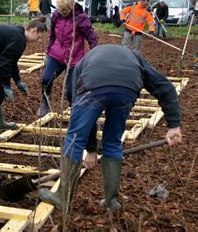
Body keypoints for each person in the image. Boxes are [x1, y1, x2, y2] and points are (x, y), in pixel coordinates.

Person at [39, 44, 182, 212]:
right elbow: (166, 88)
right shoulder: (135, 57)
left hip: (93, 86)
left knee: (75, 139)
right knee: (113, 142)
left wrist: (90, 148)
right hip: (127, 89)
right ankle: (111, 201)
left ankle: (62, 198)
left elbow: (75, 102)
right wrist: (174, 125)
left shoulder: (84, 62)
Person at [0, 17, 47, 142]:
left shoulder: (17, 33)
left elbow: (11, 62)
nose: (38, 41)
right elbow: (4, 64)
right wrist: (6, 85)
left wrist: (18, 80)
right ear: (34, 30)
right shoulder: (19, 40)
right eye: (39, 37)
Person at [37, 0, 98, 117]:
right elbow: (52, 35)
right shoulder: (56, 16)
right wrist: (49, 52)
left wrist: (94, 54)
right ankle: (45, 102)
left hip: (75, 58)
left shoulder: (81, 18)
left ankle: (74, 110)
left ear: (71, 7)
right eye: (60, 9)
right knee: (46, 79)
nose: (62, 12)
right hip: (57, 55)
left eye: (65, 9)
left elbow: (91, 38)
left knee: (71, 91)